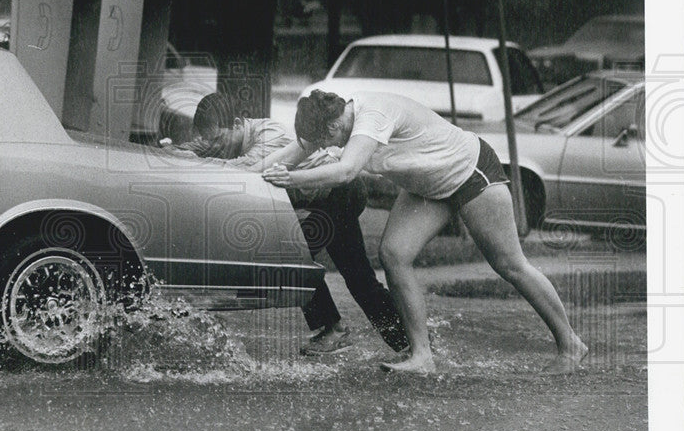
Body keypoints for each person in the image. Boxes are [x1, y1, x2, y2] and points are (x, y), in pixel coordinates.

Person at [260, 89, 588, 374]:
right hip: (429, 186)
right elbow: (288, 156)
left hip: (470, 173)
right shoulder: (336, 121)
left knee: (510, 265)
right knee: (394, 254)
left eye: (324, 141)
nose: (323, 147)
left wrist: (293, 179)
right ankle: (422, 355)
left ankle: (570, 344)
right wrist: (237, 171)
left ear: (333, 126)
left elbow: (347, 171)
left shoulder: (371, 115)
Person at [168, 92, 409, 355]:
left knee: (293, 256)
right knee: (357, 275)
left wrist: (198, 163)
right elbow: (204, 147)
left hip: (341, 194)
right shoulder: (227, 137)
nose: (214, 146)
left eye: (217, 139)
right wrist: (176, 152)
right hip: (329, 198)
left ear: (238, 124)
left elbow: (246, 172)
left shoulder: (269, 135)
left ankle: (338, 331)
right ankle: (407, 341)